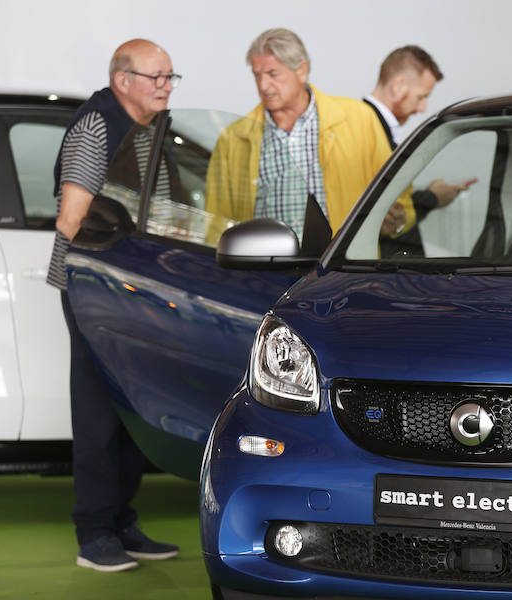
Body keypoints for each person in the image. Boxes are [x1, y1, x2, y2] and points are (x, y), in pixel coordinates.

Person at [47, 38, 181, 572]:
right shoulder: (96, 128)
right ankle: (94, 534)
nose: (168, 86)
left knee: (132, 412)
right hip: (94, 289)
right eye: (158, 77)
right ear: (123, 80)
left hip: (132, 291)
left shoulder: (150, 132)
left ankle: (122, 523)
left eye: (172, 77)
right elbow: (70, 219)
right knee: (100, 413)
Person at [205, 28, 414, 245]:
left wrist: (398, 221)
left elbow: (397, 194)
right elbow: (217, 223)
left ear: (302, 70)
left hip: (339, 271)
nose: (263, 85)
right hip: (264, 274)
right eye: (257, 75)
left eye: (273, 74)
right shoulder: (234, 138)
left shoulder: (359, 119)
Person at [365, 46, 470, 257]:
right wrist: (431, 198)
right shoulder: (365, 129)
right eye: (421, 97)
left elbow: (390, 202)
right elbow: (377, 211)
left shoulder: (378, 128)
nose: (422, 108)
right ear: (398, 86)